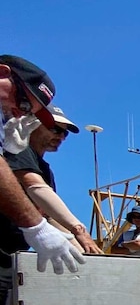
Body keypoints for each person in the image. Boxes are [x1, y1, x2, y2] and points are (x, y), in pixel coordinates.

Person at [0, 55, 84, 277]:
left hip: (9, 255)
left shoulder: (42, 166)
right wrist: (37, 227)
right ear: (2, 73)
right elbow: (34, 187)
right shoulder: (21, 154)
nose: (18, 113)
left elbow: (46, 214)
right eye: (24, 103)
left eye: (28, 112)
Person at [5, 105, 103, 254]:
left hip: (12, 253)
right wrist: (79, 230)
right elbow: (34, 185)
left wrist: (83, 253)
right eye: (55, 129)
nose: (61, 137)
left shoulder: (46, 171)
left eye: (65, 133)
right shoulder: (17, 149)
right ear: (33, 124)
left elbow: (49, 217)